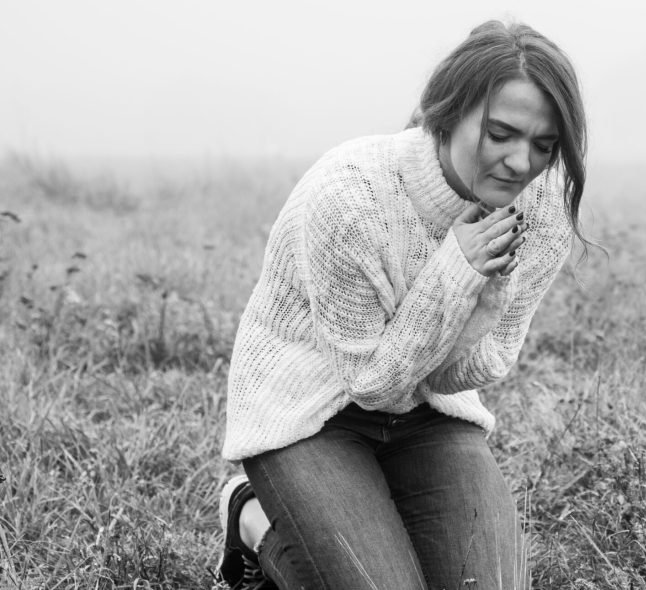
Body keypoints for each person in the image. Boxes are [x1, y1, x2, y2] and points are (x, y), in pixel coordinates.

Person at [215, 19, 587, 589]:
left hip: (428, 412)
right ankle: (251, 515)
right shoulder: (348, 196)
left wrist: (486, 294)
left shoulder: (539, 217)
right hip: (309, 413)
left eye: (544, 145)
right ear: (447, 113)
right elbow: (371, 382)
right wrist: (453, 273)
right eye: (500, 133)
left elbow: (485, 364)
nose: (521, 163)